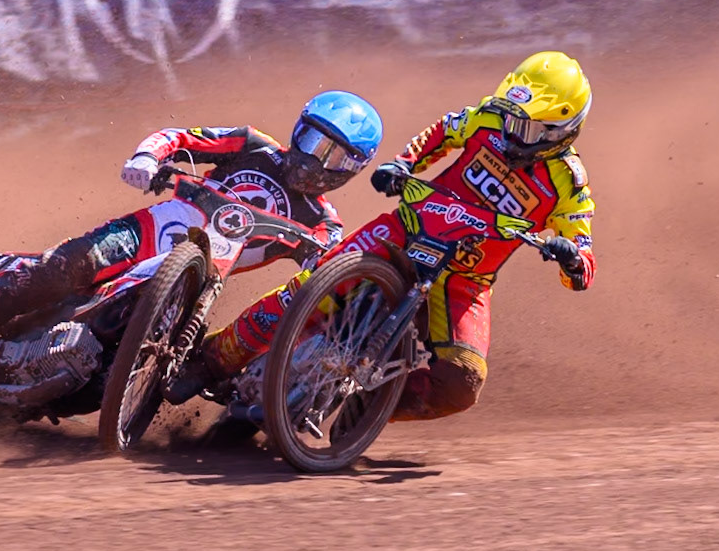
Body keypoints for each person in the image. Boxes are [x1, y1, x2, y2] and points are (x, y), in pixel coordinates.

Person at [171, 51, 596, 420]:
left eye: (527, 129)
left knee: (462, 382)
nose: (511, 132)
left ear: (561, 131)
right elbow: (443, 131)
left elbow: (583, 258)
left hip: (464, 281)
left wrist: (572, 260)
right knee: (306, 289)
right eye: (511, 117)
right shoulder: (489, 116)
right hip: (406, 230)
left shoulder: (569, 185)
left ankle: (366, 411)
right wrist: (404, 164)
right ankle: (211, 360)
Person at [0, 90, 384, 378]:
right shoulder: (253, 145)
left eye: (335, 155)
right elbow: (182, 137)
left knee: (170, 360)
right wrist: (148, 158)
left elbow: (328, 268)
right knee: (60, 269)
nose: (316, 159)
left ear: (353, 169)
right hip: (144, 235)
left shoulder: (324, 223)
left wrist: (330, 276)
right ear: (298, 130)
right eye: (313, 140)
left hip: (195, 284)